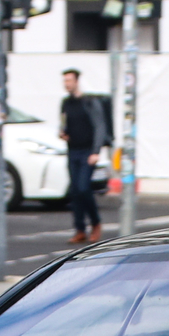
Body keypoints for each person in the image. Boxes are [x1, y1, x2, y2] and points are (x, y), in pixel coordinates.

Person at [59, 68, 102, 246]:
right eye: (65, 81)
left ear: (77, 81)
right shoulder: (65, 103)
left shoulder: (89, 102)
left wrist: (96, 151)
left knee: (84, 188)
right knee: (75, 192)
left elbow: (100, 126)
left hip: (87, 151)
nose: (66, 84)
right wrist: (62, 133)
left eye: (69, 80)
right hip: (72, 150)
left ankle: (96, 222)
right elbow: (63, 122)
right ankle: (79, 229)